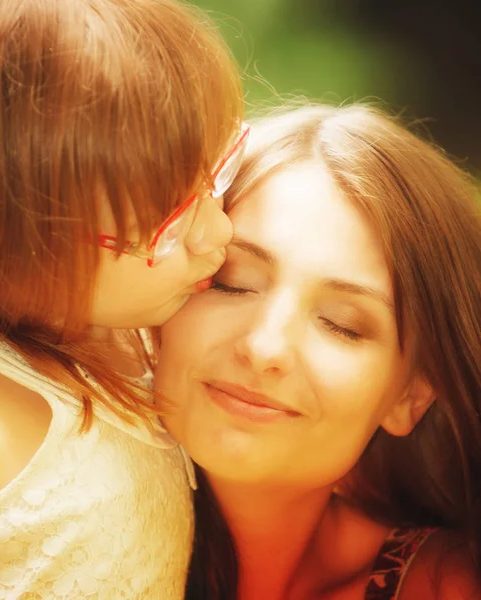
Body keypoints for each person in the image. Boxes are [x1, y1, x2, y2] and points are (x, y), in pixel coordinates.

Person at [0, 0, 249, 597]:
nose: (220, 233)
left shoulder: (133, 336)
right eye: (170, 223)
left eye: (213, 177)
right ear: (13, 236)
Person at [154, 103, 481, 599]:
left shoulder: (444, 586)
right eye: (232, 283)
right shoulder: (20, 491)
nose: (265, 346)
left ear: (410, 396)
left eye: (342, 325)